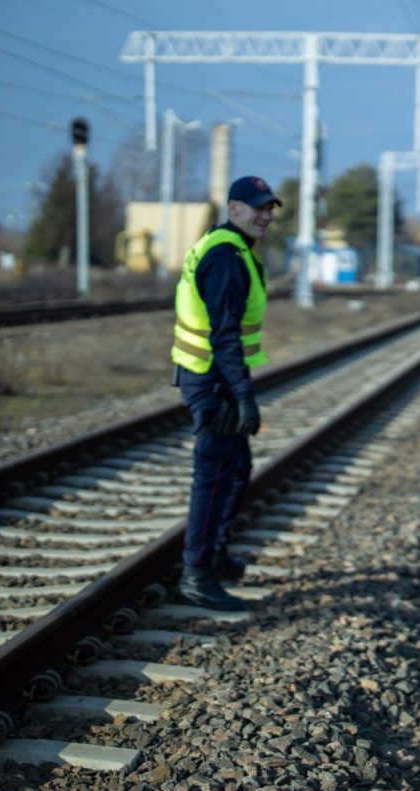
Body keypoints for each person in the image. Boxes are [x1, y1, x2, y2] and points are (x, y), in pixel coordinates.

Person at [170, 176, 282, 611]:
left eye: (271, 207)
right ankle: (196, 575)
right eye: (257, 207)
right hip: (210, 377)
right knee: (215, 474)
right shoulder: (225, 257)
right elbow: (224, 335)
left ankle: (213, 556)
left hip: (214, 375)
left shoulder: (233, 248)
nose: (266, 215)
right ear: (233, 208)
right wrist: (244, 397)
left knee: (236, 468)